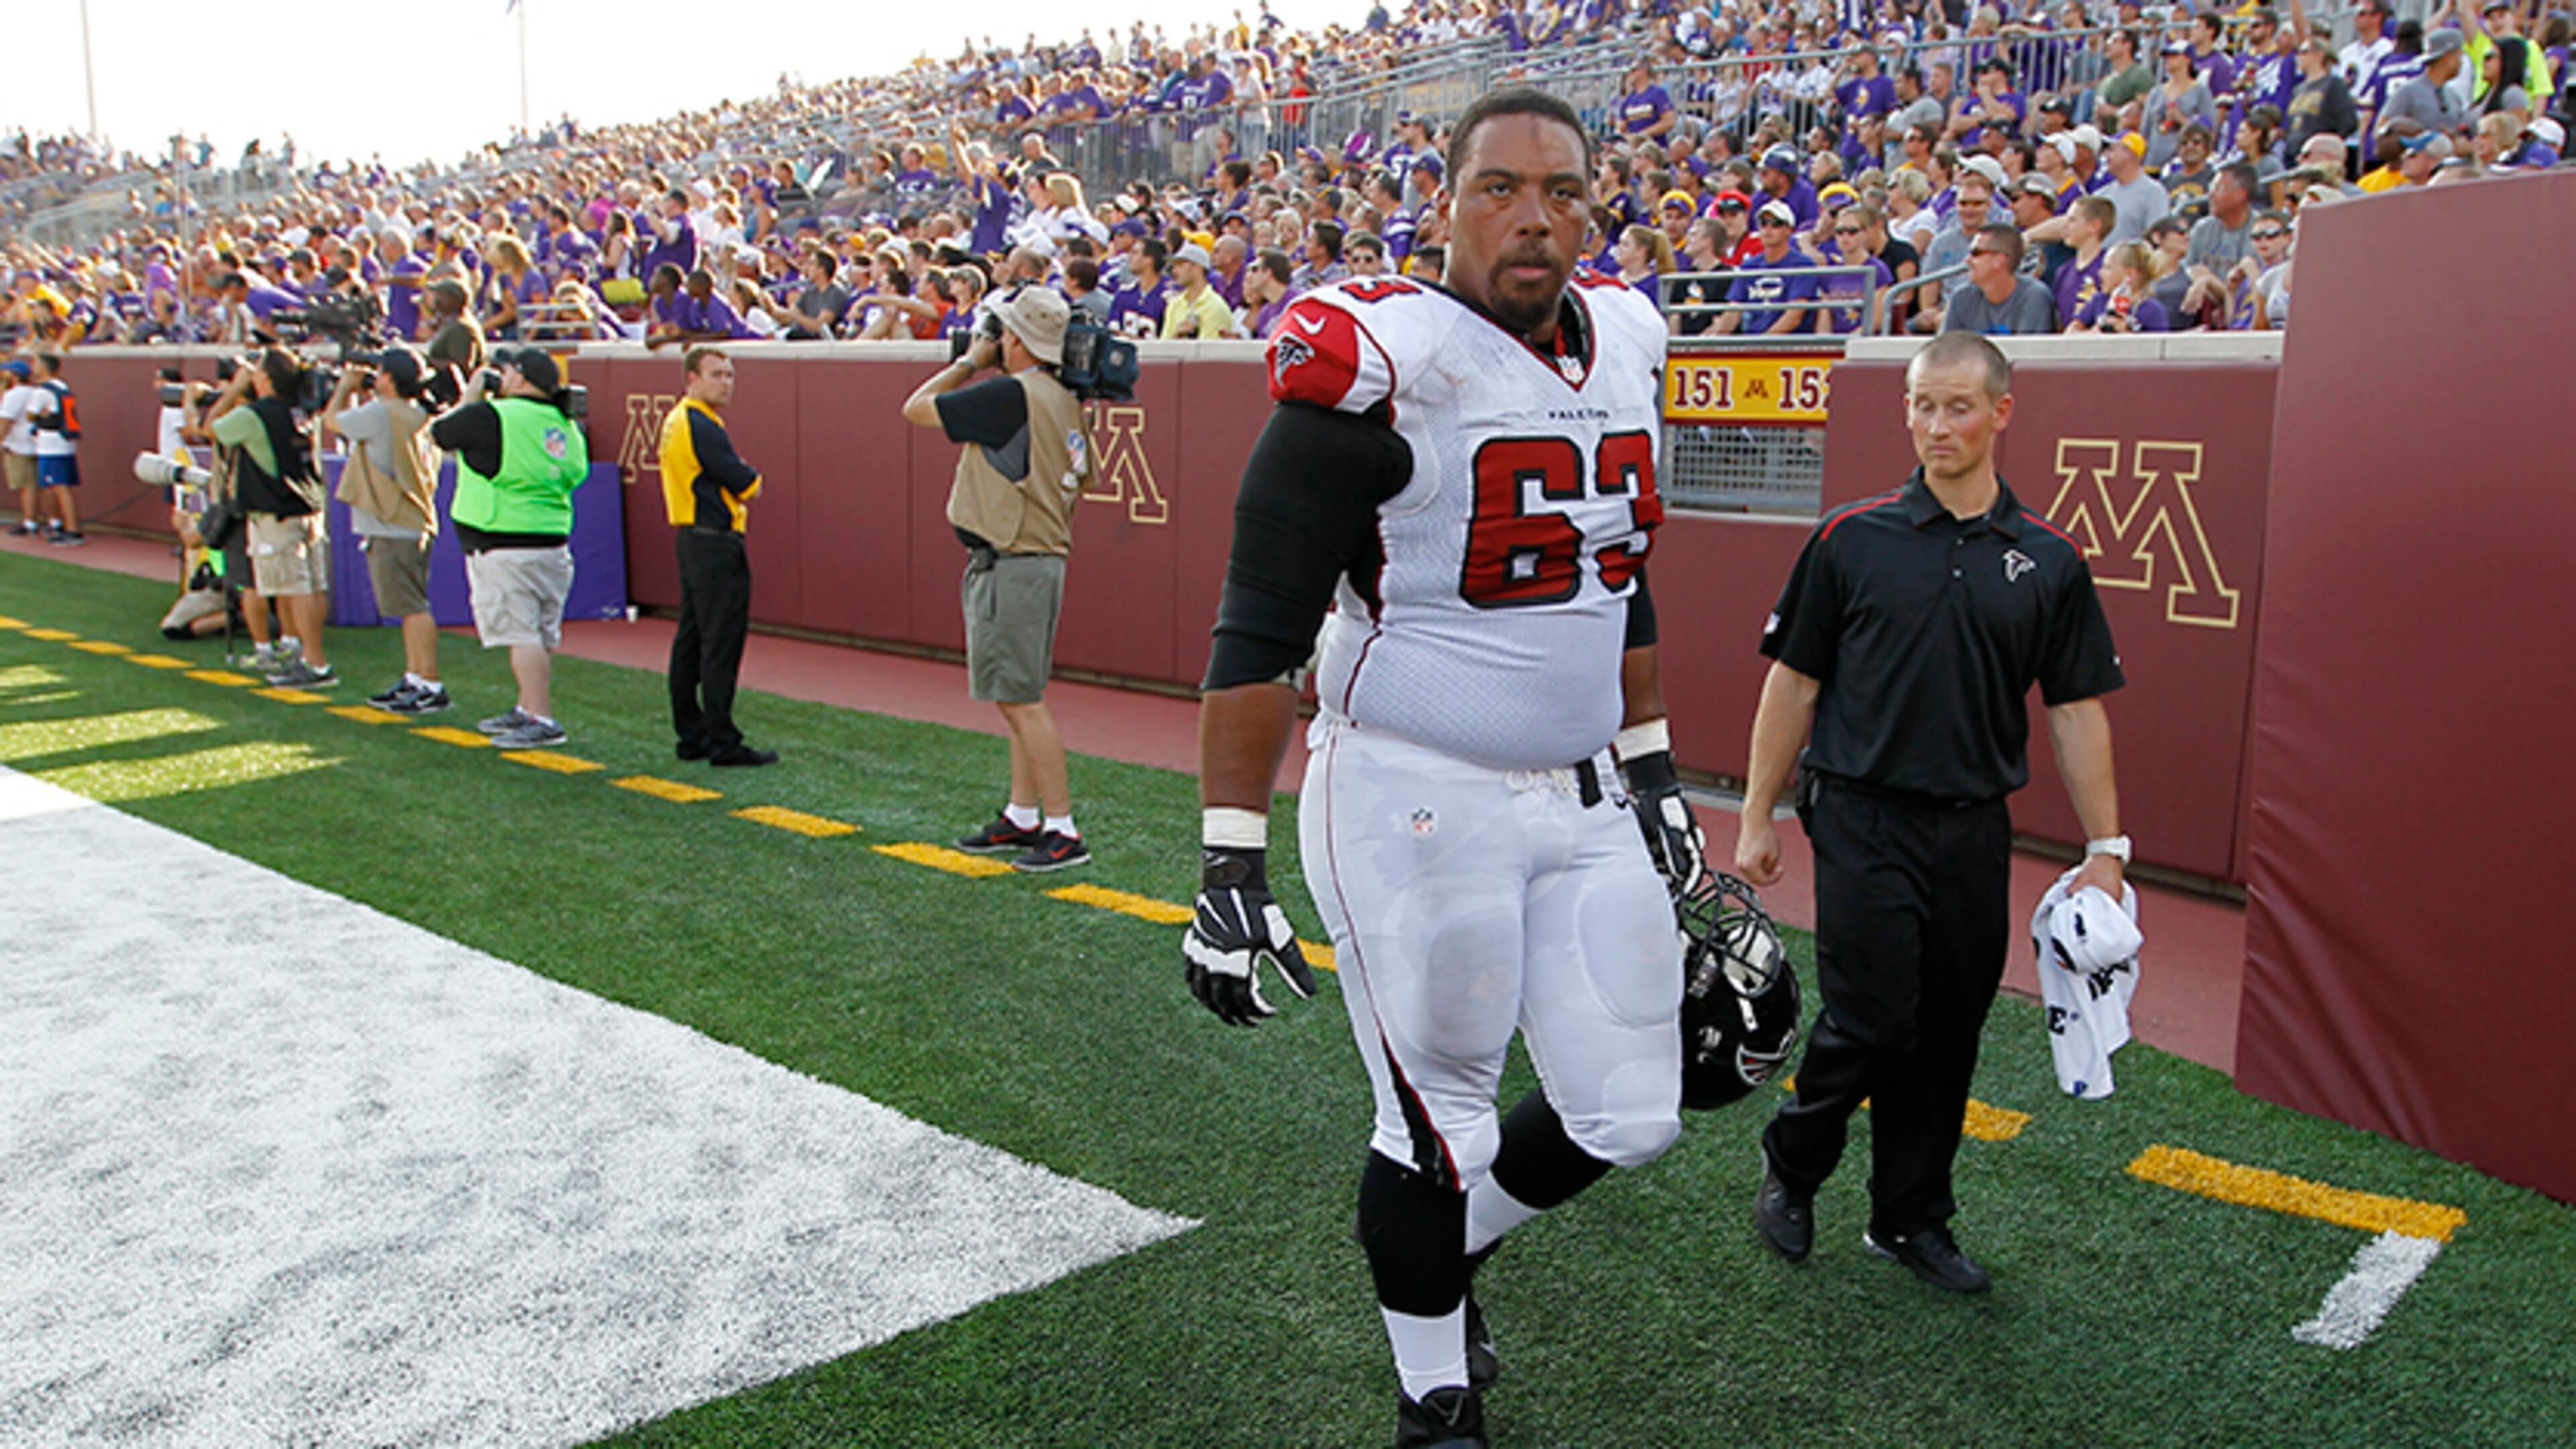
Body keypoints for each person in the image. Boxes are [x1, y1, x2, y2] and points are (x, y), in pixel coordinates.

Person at [1181, 87, 1706, 1449]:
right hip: (1416, 796)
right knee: (1435, 1120)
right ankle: (1435, 1395)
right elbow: (1256, 626)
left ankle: (1442, 1253)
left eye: (1564, 191)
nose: (1535, 217)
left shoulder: (1633, 342)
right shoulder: (1385, 359)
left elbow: (1620, 587)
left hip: (1581, 792)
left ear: (1597, 202)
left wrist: (1654, 775)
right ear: (1446, 200)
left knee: (1634, 1112)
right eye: (1500, 188)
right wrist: (1227, 857)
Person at [1735, 331, 2126, 1295]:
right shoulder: (1849, 536)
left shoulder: (2049, 560)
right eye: (1920, 405)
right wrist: (1756, 816)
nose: (1935, 425)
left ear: (2001, 412)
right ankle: (1794, 1161)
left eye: (1956, 407)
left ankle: (1909, 1218)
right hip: (1862, 814)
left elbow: (2076, 710)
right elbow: (1792, 684)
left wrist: (2107, 848)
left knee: (1949, 1030)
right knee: (1872, 1020)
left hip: (1976, 827)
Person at [900, 286, 1095, 873]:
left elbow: (915, 408)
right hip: (1033, 558)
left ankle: (1063, 830)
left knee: (1020, 699)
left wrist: (967, 362)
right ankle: (1023, 814)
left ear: (1015, 339)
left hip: (1015, 560)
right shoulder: (1064, 398)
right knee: (1018, 696)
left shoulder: (1013, 393)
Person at [428, 347, 591, 750]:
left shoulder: (492, 416)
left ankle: (541, 716)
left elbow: (442, 433)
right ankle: (526, 706)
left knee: (521, 635)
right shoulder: (564, 424)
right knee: (537, 635)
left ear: (518, 377)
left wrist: (473, 391)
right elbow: (578, 473)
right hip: (552, 542)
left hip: (503, 542)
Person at [660, 346, 776, 767]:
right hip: (714, 541)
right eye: (716, 374)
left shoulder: (682, 419)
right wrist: (749, 479)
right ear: (692, 378)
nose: (725, 382)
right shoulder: (698, 422)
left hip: (693, 538)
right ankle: (722, 740)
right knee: (719, 642)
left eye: (729, 375)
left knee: (691, 638)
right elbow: (749, 484)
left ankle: (692, 735)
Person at [321, 345, 448, 713]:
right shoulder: (416, 412)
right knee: (408, 605)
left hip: (395, 524)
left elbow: (333, 421)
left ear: (390, 379)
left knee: (413, 607)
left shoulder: (382, 412)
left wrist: (345, 387)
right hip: (408, 520)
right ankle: (416, 677)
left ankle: (431, 682)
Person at [208, 349, 333, 686]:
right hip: (309, 508)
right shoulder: (304, 411)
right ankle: (308, 656)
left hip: (276, 514)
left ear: (264, 378)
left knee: (295, 588)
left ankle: (315, 664)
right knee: (312, 587)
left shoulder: (255, 415)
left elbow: (210, 429)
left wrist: (234, 390)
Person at [1940, 225, 2059, 335]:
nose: (1967, 260)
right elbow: (1944, 350)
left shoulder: (2034, 296)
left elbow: (2030, 353)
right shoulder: (1961, 298)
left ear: (1999, 260)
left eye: (1975, 253)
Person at [22, 354, 85, 546]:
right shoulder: (62, 387)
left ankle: (72, 530)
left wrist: (40, 416)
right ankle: (58, 522)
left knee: (59, 487)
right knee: (56, 486)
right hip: (65, 441)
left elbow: (31, 415)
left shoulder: (42, 391)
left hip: (51, 444)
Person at [2, 359, 41, 537]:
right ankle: (38, 519)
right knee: (33, 484)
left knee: (27, 485)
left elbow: (6, 421)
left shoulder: (14, 395)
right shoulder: (35, 392)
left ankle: (30, 521)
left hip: (20, 444)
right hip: (36, 442)